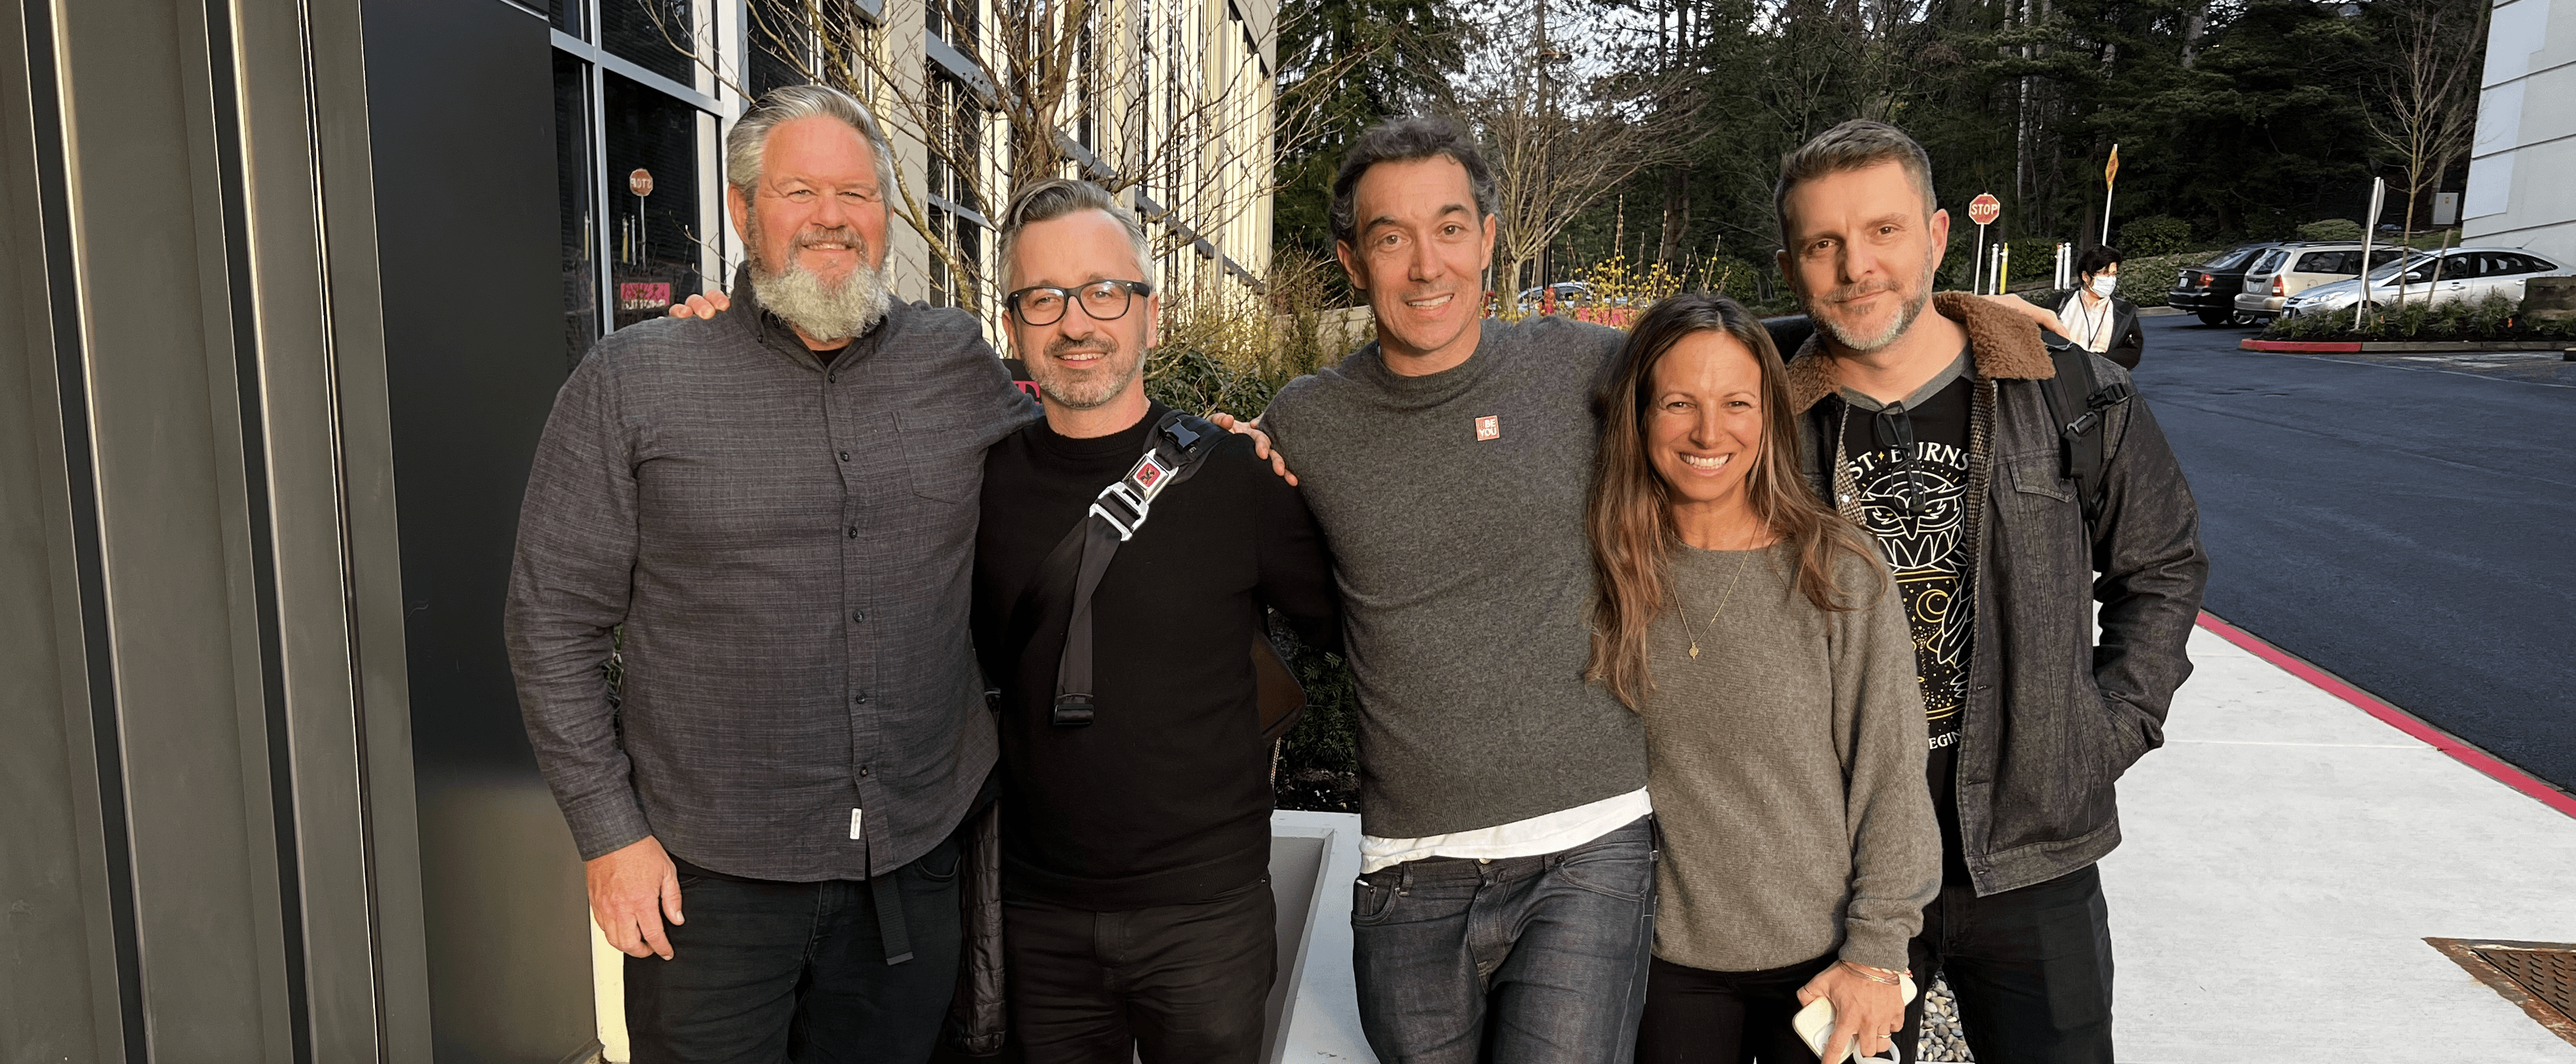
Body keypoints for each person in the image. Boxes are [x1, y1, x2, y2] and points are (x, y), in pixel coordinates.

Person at [505, 85, 1036, 1062]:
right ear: (745, 211)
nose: (834, 216)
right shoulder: (635, 382)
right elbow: (551, 624)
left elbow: (1071, 472)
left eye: (859, 193)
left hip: (913, 860)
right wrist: (609, 836)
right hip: (705, 886)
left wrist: (1219, 447)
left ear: (887, 216)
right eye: (800, 190)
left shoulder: (957, 362)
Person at [1768, 119, 2208, 1063]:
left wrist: (2104, 729)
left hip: (2031, 848)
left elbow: (2162, 567)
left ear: (1933, 237)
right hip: (1833, 860)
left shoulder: (2074, 395)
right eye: (1823, 244)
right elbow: (1639, 364)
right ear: (1792, 264)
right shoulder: (1761, 408)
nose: (1856, 266)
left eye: (1884, 232)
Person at [1253, 115, 1658, 1063]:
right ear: (1354, 262)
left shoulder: (1579, 366)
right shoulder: (1307, 422)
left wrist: (1973, 317)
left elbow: (1742, 361)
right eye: (1392, 237)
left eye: (1448, 227)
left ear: (1486, 238)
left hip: (1591, 841)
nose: (1425, 264)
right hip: (1408, 869)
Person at [967, 177, 1342, 1063]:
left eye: (1104, 291)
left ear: (1150, 313)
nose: (1076, 321)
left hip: (1207, 915)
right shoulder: (976, 485)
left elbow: (1352, 622)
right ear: (1014, 324)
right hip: (1038, 915)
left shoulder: (1237, 480)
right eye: (1043, 298)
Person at [1589, 294, 1941, 1064]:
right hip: (1666, 966)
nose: (1710, 432)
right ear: (1639, 416)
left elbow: (1892, 775)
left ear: (1770, 415)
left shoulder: (1838, 573)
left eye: (1736, 402)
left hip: (1827, 967)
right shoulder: (1608, 573)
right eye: (1679, 402)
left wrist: (1878, 949)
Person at [1995, 245, 2145, 369]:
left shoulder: (2124, 312)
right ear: (2086, 277)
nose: (2111, 280)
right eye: (2105, 274)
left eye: (2113, 274)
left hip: (2105, 382)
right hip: (2061, 377)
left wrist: (2099, 361)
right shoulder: (2060, 303)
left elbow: (2132, 352)